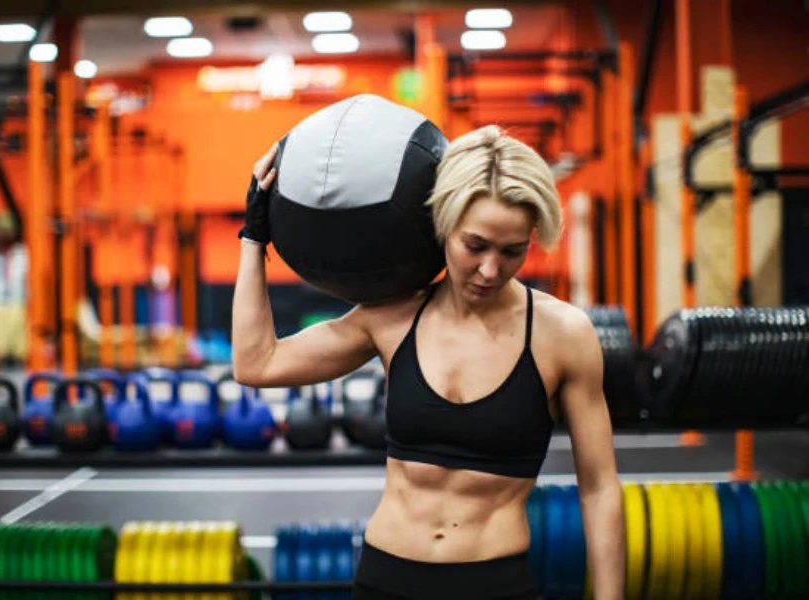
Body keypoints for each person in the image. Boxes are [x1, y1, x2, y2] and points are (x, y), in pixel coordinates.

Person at [232, 125, 624, 600]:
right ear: (444, 225)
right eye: (475, 246)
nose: (490, 270)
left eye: (512, 251)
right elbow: (257, 363)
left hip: (493, 585)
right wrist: (254, 237)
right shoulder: (393, 317)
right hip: (386, 580)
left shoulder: (563, 334)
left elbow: (600, 490)